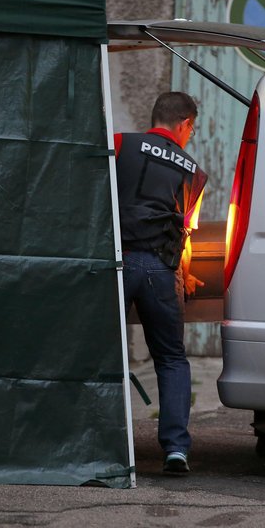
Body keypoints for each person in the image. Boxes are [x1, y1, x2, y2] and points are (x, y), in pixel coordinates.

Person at [115, 92, 207, 475]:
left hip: (114, 264)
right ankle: (175, 450)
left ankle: (99, 439)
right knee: (171, 359)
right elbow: (184, 232)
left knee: (99, 352)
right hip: (158, 270)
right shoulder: (194, 173)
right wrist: (182, 276)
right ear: (184, 124)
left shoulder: (119, 143)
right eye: (192, 129)